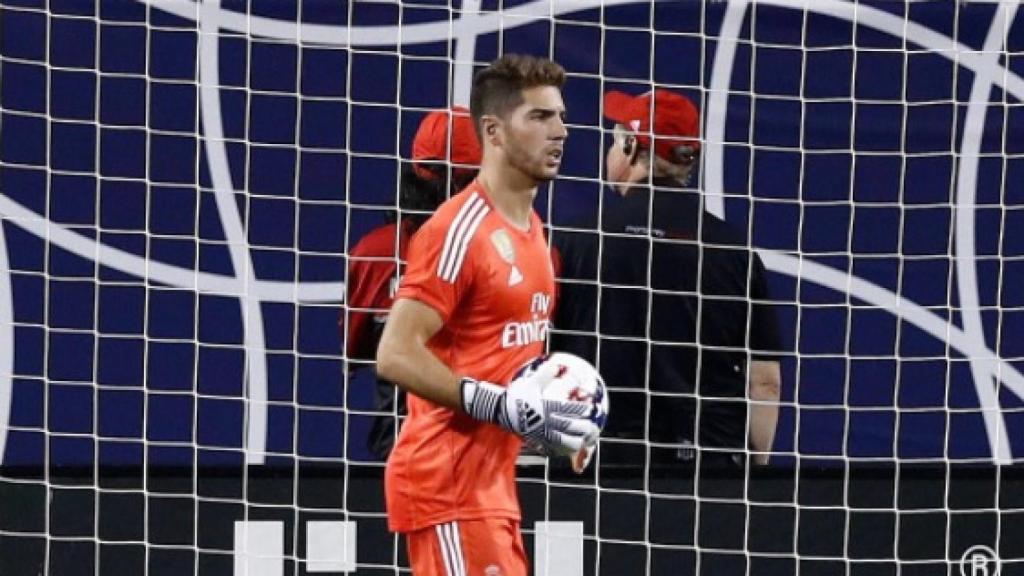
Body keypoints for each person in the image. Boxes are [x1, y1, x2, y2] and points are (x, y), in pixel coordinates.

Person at [374, 54, 598, 576]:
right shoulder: (458, 230)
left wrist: (554, 426)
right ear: (493, 132)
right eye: (539, 117)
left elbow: (497, 363)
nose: (560, 131)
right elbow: (395, 354)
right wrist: (499, 405)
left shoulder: (533, 230)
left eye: (561, 116)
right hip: (447, 485)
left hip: (490, 489)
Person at [552, 88, 784, 470]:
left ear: (630, 147)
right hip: (708, 466)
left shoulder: (574, 239)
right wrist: (756, 472)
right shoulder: (733, 250)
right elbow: (765, 381)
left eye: (614, 140)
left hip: (597, 461)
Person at [342, 106, 482, 461]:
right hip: (481, 451)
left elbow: (355, 351)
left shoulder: (375, 252)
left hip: (399, 449)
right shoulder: (515, 250)